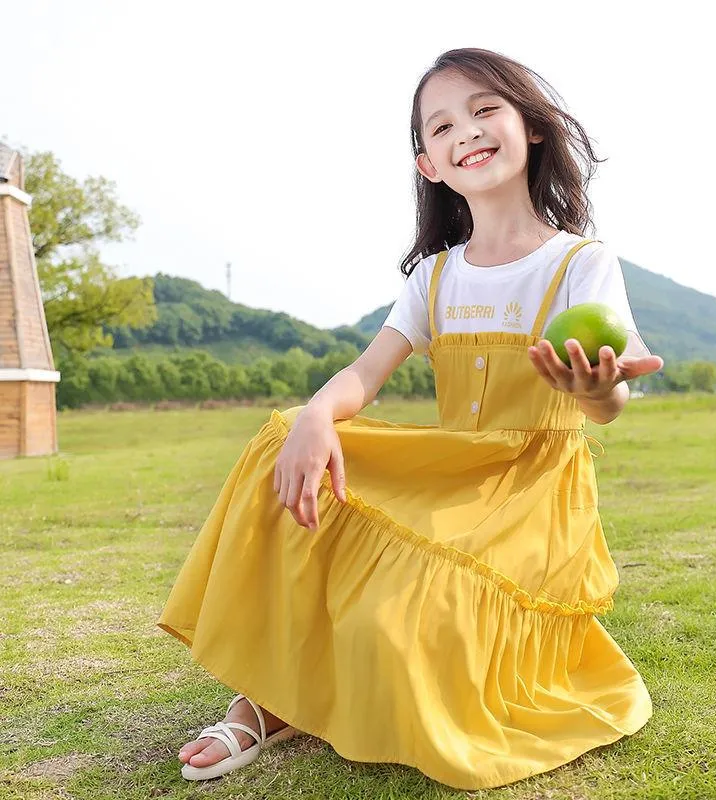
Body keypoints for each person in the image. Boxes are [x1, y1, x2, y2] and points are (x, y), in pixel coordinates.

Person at [159, 46, 664, 790]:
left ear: (531, 127)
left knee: (389, 631)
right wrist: (315, 416)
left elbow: (612, 399)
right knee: (285, 434)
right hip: (452, 475)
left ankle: (310, 692)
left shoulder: (580, 264)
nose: (467, 130)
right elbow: (364, 375)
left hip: (532, 495)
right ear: (429, 164)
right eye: (443, 125)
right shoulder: (434, 276)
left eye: (485, 109)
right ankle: (266, 700)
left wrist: (592, 387)